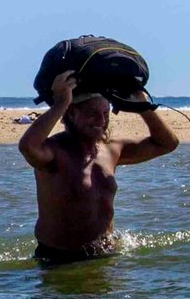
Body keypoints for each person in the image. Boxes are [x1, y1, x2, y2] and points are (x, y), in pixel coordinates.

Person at [18, 70, 180, 264]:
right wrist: (61, 102)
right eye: (93, 114)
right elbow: (27, 146)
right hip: (58, 259)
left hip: (104, 256)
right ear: (71, 113)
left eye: (105, 114)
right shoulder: (54, 151)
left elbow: (167, 143)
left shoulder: (112, 149)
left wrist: (142, 104)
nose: (101, 121)